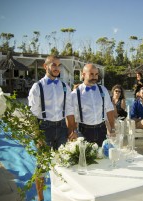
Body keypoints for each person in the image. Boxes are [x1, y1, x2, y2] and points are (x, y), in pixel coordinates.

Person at [28, 55, 77, 201]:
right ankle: (41, 198)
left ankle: (62, 196)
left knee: (63, 164)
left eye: (59, 65)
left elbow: (69, 110)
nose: (57, 68)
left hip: (62, 127)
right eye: (54, 65)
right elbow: (32, 115)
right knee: (42, 166)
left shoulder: (65, 86)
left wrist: (72, 130)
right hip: (45, 128)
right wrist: (37, 137)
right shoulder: (37, 87)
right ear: (45, 66)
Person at [71, 64, 116, 146]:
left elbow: (109, 109)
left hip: (101, 130)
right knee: (86, 157)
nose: (95, 77)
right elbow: (72, 115)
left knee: (102, 156)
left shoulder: (103, 90)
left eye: (96, 74)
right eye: (91, 74)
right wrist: (73, 131)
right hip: (84, 131)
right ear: (83, 75)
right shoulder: (75, 93)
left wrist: (112, 128)